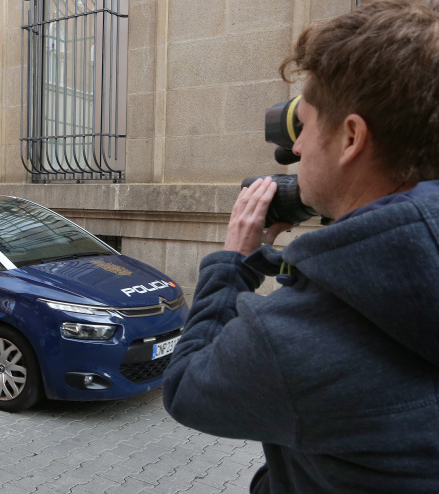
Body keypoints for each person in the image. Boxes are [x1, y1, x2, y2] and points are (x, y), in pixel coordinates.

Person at [162, 1, 439, 493]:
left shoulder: (294, 336)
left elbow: (186, 387)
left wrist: (233, 263)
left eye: (305, 126)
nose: (295, 149)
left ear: (352, 137)